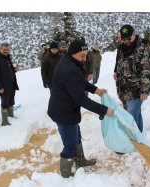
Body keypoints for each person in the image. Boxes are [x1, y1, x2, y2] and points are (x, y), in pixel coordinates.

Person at [48, 39, 115, 178]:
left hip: (67, 109)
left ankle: (81, 162)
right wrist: (104, 110)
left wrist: (95, 90)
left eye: (86, 55)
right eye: (82, 56)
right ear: (73, 54)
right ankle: (65, 175)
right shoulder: (68, 69)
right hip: (63, 113)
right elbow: (82, 99)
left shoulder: (72, 62)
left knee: (76, 136)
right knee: (70, 146)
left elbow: (81, 81)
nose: (84, 59)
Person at [113, 25, 150, 132]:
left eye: (129, 39)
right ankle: (139, 137)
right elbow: (119, 60)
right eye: (124, 39)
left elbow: (147, 70)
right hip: (123, 88)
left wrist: (145, 90)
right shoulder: (121, 47)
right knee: (136, 113)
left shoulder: (143, 47)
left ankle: (133, 140)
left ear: (134, 34)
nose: (126, 41)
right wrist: (116, 71)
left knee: (130, 116)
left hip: (137, 89)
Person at [0, 42, 20, 126]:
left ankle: (11, 117)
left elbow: (8, 71)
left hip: (11, 85)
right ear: (0, 49)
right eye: (4, 49)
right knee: (4, 103)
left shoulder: (7, 58)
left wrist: (14, 70)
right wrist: (0, 87)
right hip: (3, 86)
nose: (6, 51)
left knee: (11, 101)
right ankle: (4, 121)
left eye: (7, 50)